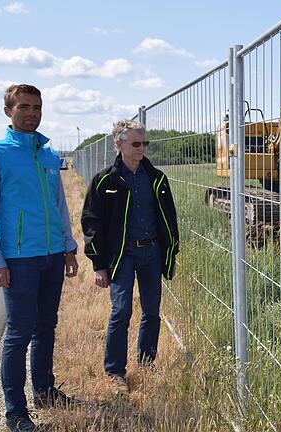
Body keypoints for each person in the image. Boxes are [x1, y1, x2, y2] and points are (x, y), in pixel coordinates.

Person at [0, 84, 79, 432]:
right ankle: (15, 412)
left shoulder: (48, 154)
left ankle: (45, 391)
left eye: (37, 107)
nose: (31, 113)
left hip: (51, 254)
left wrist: (68, 246)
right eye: (24, 107)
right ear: (8, 111)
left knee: (46, 326)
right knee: (18, 333)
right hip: (18, 258)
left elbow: (58, 205)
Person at [80, 120, 179, 393]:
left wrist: (170, 256)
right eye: (136, 143)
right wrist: (98, 264)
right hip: (122, 255)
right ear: (119, 144)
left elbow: (169, 219)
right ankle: (115, 373)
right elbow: (91, 223)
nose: (141, 149)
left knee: (151, 312)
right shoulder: (105, 181)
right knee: (121, 310)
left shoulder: (157, 178)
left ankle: (147, 364)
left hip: (152, 253)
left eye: (144, 143)